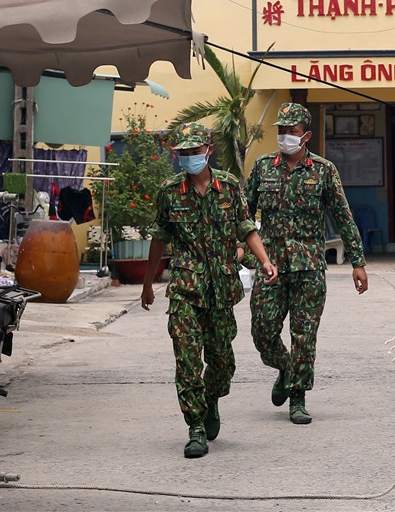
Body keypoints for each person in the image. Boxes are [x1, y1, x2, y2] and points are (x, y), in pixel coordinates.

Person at [141, 122, 278, 459]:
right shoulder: (170, 191)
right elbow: (160, 237)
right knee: (186, 361)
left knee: (221, 363)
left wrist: (265, 261)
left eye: (194, 151)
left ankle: (211, 399)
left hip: (220, 289)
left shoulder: (230, 187)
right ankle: (196, 427)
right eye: (183, 153)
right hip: (186, 287)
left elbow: (246, 227)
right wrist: (148, 283)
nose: (188, 158)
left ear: (208, 151)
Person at [245, 103, 368, 425]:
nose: (285, 136)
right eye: (281, 131)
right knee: (262, 331)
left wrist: (358, 262)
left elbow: (343, 216)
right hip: (270, 266)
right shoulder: (262, 167)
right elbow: (243, 216)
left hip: (309, 267)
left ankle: (297, 398)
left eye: (291, 131)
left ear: (306, 135)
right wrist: (239, 251)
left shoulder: (324, 170)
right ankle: (286, 369)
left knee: (304, 335)